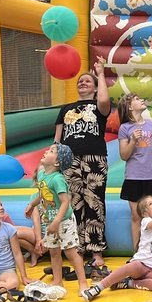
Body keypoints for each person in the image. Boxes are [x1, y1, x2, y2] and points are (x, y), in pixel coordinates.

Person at [55, 59, 111, 278]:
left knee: (94, 202)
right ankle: (77, 247)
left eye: (88, 81)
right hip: (70, 161)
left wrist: (101, 73)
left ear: (96, 87)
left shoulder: (98, 106)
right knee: (74, 203)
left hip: (94, 157)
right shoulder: (65, 109)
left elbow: (104, 100)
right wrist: (54, 160)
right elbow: (57, 139)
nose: (83, 83)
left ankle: (96, 250)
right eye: (80, 81)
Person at [82, 197, 152, 301]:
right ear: (145, 213)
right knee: (132, 266)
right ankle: (98, 288)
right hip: (140, 264)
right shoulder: (146, 221)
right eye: (150, 204)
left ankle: (128, 283)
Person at [23, 143, 90, 298]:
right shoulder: (42, 175)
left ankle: (83, 283)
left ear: (57, 163)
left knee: (70, 252)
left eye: (52, 151)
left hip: (64, 221)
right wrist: (32, 205)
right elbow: (43, 194)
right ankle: (58, 281)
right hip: (50, 220)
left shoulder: (58, 179)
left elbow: (65, 202)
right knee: (53, 251)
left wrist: (56, 222)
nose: (47, 151)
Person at [117, 93, 152, 252]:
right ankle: (137, 252)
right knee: (136, 215)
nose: (142, 100)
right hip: (134, 176)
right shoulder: (125, 128)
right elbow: (124, 155)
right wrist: (133, 141)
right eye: (137, 99)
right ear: (130, 107)